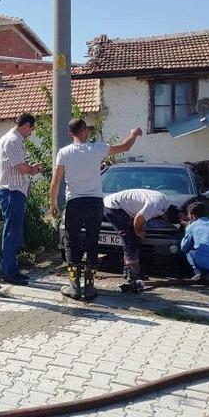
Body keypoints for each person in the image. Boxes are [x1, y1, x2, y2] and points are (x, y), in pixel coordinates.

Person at [48, 118, 143, 299]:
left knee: (71, 242)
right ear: (86, 131)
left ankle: (74, 287)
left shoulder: (64, 152)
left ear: (70, 134)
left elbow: (55, 181)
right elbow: (124, 147)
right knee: (92, 241)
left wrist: (52, 204)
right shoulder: (97, 148)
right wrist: (133, 134)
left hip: (75, 203)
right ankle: (90, 287)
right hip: (95, 203)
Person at [0, 112, 42, 286]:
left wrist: (29, 168)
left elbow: (19, 167)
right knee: (11, 234)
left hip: (12, 192)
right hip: (11, 192)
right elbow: (21, 169)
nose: (31, 133)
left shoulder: (11, 139)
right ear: (26, 125)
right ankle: (8, 273)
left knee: (14, 234)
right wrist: (33, 169)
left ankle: (12, 270)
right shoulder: (13, 141)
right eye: (31, 129)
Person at [103, 189, 183, 285]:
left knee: (133, 239)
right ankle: (132, 274)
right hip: (113, 206)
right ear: (166, 215)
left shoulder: (165, 202)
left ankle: (130, 269)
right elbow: (138, 219)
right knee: (130, 239)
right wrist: (139, 232)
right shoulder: (155, 205)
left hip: (121, 205)